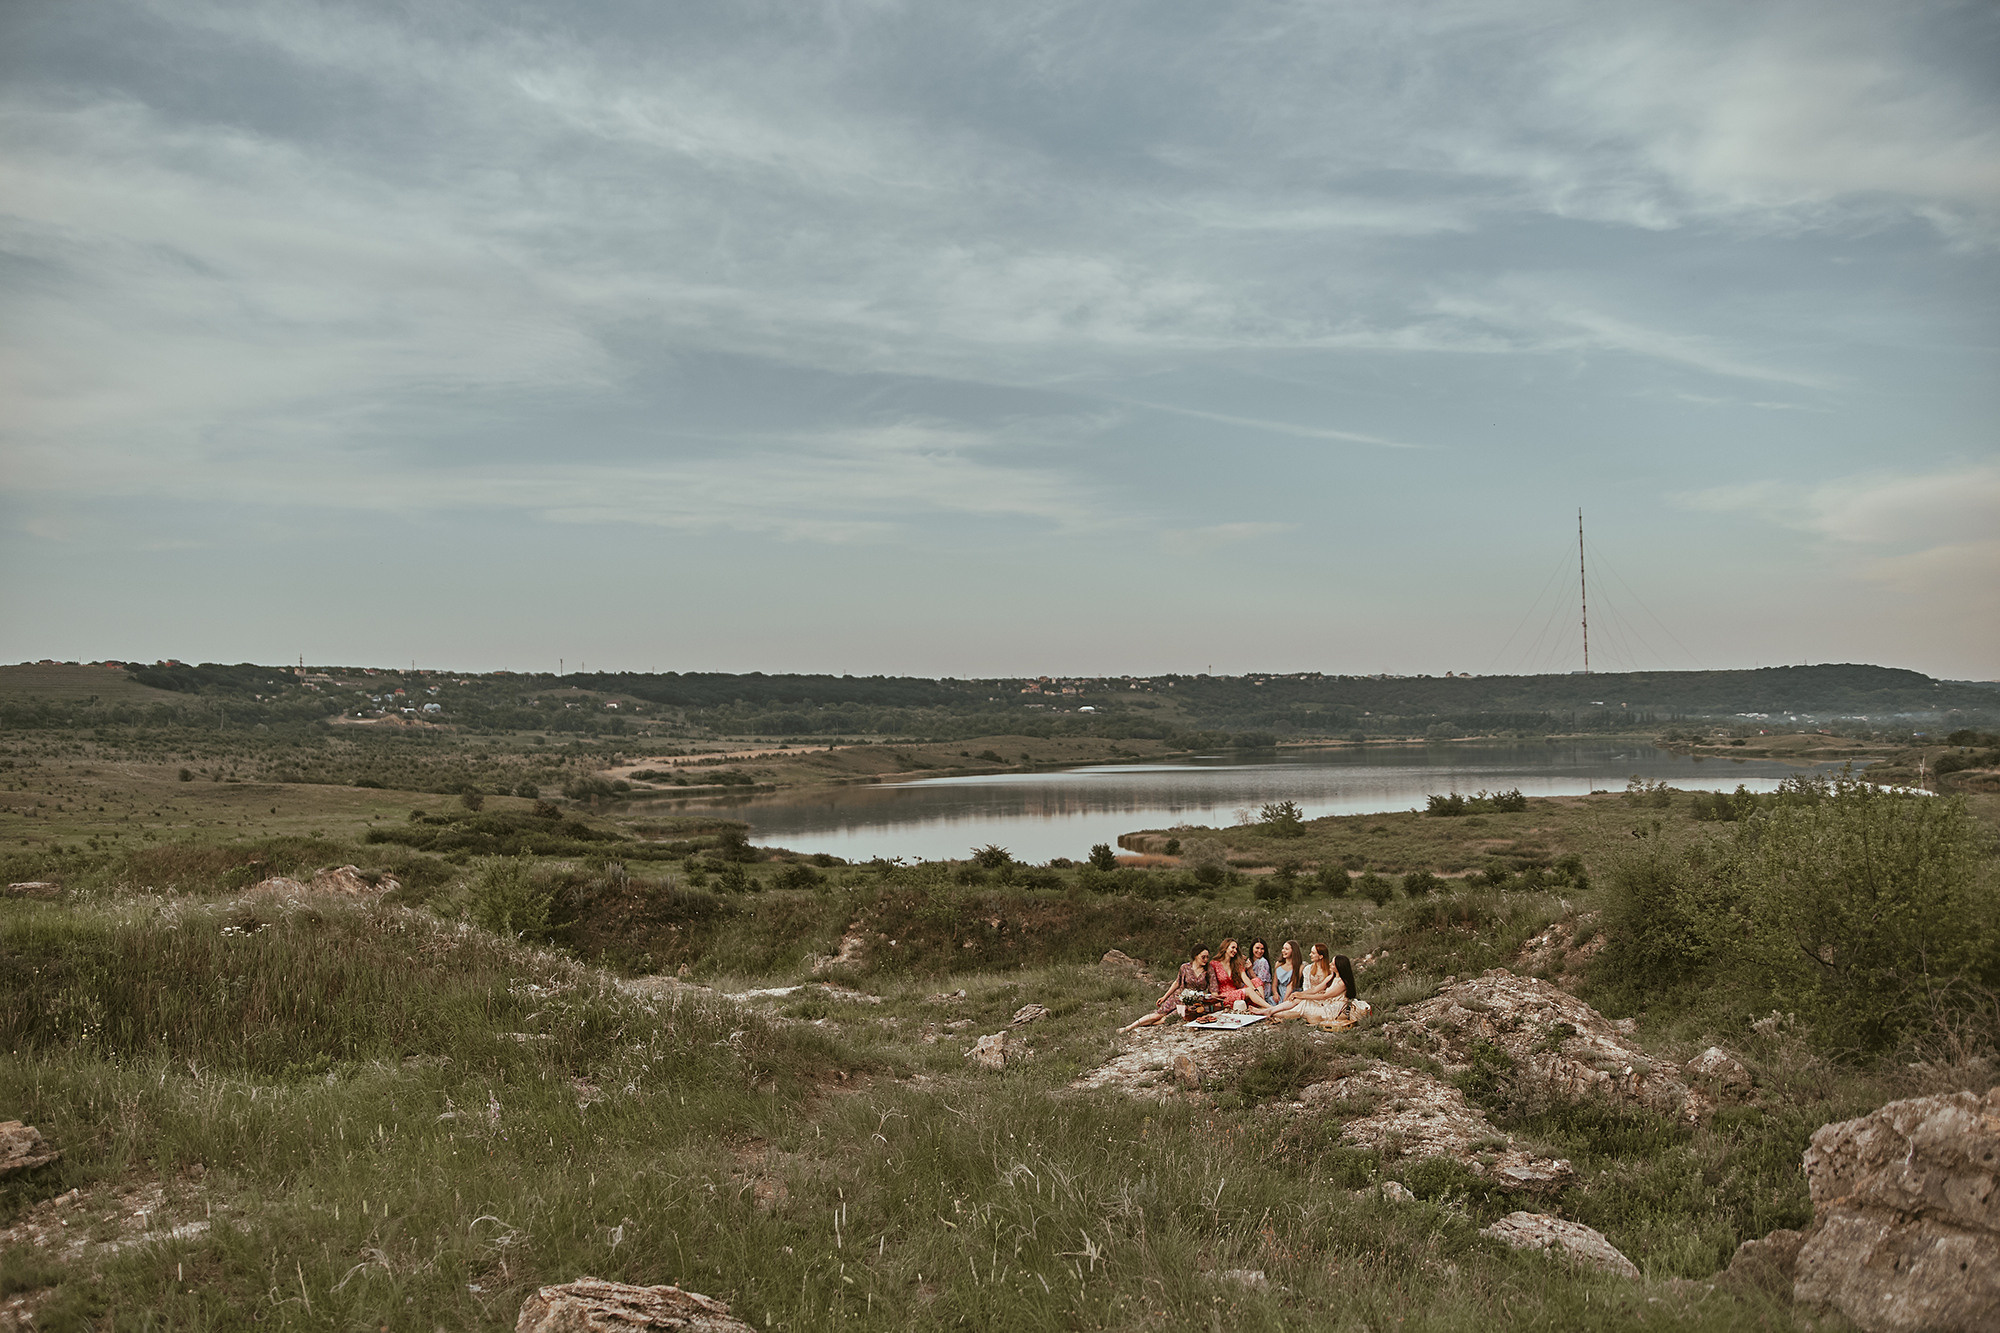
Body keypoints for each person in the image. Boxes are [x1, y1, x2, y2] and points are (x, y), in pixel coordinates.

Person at [1118, 945, 1222, 1032]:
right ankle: (1129, 1027)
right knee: (1158, 1014)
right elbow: (1177, 983)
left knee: (1167, 1019)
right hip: (1178, 996)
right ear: (1196, 956)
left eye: (1207, 957)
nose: (1206, 960)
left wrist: (1210, 999)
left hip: (1193, 1002)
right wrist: (1164, 997)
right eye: (1203, 957)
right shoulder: (1185, 967)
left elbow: (1214, 990)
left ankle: (1144, 1025)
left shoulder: (1209, 970)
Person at [1271, 944, 1370, 1027]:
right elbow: (1315, 989)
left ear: (1339, 967)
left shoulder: (1342, 983)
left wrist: (1302, 995)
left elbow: (1324, 996)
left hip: (1335, 1009)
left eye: (1333, 964)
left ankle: (1273, 1013)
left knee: (1304, 1008)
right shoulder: (1332, 977)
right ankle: (1271, 1011)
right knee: (1302, 1002)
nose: (1330, 964)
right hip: (1326, 1004)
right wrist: (1299, 994)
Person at [1213, 938, 1278, 1014]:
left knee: (1257, 980)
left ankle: (1263, 1007)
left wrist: (1255, 990)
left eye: (1236, 949)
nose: (1235, 951)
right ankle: (1271, 1008)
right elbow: (1212, 986)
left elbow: (1245, 978)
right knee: (1249, 990)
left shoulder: (1236, 963)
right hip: (1223, 996)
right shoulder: (1214, 964)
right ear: (1225, 947)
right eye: (1233, 947)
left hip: (1236, 992)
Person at [1270, 940, 1302, 1004]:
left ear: (1293, 951)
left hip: (1291, 995)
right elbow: (1274, 984)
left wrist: (1284, 1001)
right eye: (1283, 948)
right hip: (1280, 994)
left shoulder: (1300, 967)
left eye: (1286, 949)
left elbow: (1291, 986)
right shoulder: (1278, 964)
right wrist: (1275, 993)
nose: (1283, 951)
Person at [1248, 939, 1274, 1005]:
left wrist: (1250, 970)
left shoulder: (1263, 962)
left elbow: (1260, 982)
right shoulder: (1249, 961)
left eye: (1262, 949)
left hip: (1262, 991)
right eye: (1257, 948)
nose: (1259, 951)